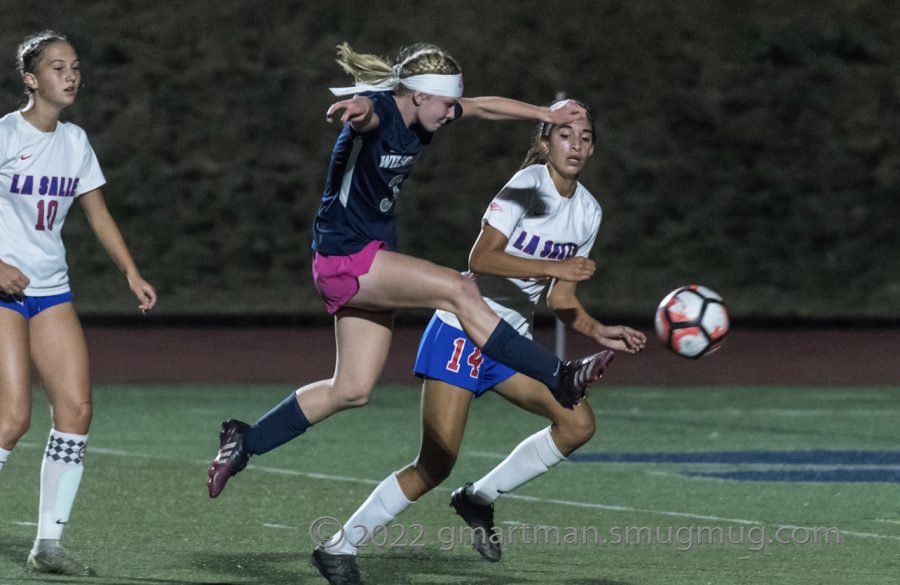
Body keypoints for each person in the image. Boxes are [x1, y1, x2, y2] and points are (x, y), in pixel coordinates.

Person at [207, 43, 615, 501]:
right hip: (349, 259)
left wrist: (547, 112)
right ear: (418, 96)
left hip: (361, 261)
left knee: (352, 388)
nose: (449, 115)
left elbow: (481, 106)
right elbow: (367, 113)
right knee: (460, 289)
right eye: (443, 105)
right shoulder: (380, 110)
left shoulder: (427, 107)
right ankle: (558, 374)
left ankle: (245, 441)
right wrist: (357, 108)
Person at [311, 101, 647, 584]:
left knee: (577, 424)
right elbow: (482, 258)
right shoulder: (525, 186)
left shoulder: (589, 212)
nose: (576, 146)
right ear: (545, 142)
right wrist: (552, 267)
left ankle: (478, 498)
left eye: (585, 138)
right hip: (463, 333)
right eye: (565, 136)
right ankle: (339, 545)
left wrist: (597, 329)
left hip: (510, 344)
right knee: (435, 463)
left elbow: (563, 295)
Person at [0, 31, 157, 576]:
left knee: (76, 411)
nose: (70, 76)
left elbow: (98, 214)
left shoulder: (75, 141)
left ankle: (48, 546)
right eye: (56, 67)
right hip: (1, 292)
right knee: (11, 420)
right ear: (31, 78)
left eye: (75, 67)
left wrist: (131, 273)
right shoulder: (4, 135)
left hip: (51, 290)